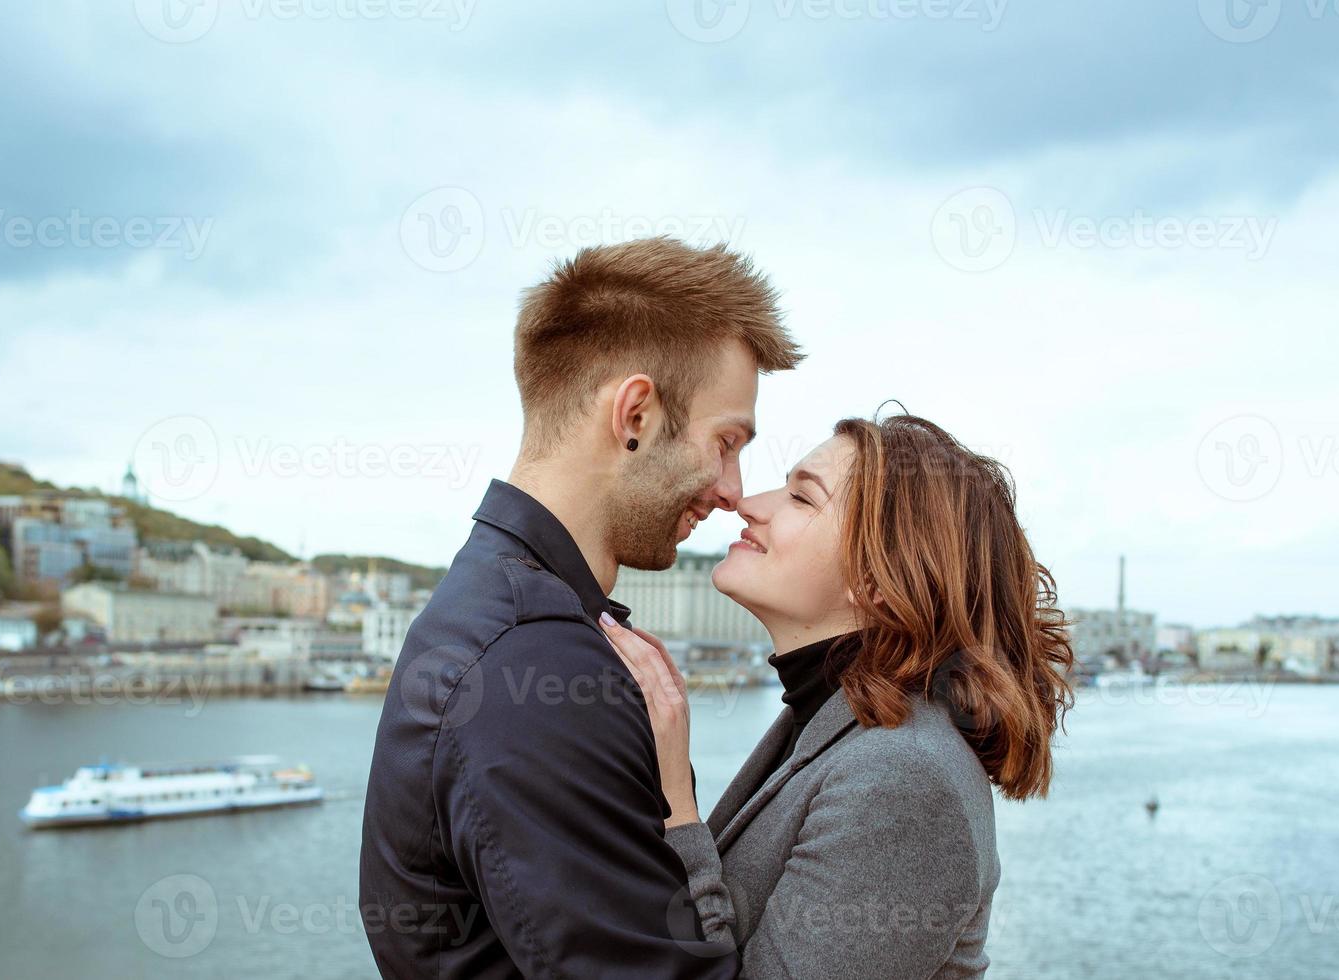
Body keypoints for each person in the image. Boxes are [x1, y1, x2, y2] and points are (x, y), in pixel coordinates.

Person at [359, 237, 804, 978]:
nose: (732, 487)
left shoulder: (504, 615)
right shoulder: (530, 664)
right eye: (725, 442)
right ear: (633, 413)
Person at [602, 413, 1075, 979]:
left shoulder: (905, 779)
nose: (750, 503)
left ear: (876, 578)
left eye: (802, 497)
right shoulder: (833, 725)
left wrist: (674, 796)